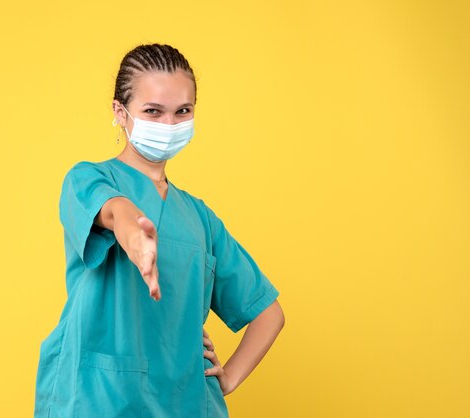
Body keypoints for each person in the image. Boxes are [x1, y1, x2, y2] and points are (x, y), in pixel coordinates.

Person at [34, 43, 285, 418]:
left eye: (182, 111)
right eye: (153, 111)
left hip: (186, 402)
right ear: (120, 113)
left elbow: (269, 313)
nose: (169, 125)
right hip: (97, 398)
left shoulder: (200, 218)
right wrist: (135, 236)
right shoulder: (89, 178)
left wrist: (227, 377)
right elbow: (115, 211)